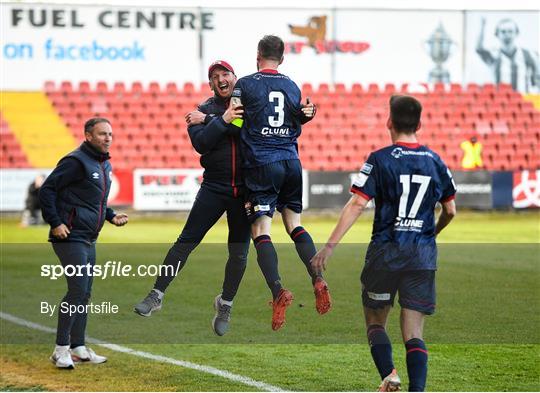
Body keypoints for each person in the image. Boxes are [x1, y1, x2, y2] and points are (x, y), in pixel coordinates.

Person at [311, 95, 457, 392]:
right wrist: (432, 233)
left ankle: (389, 374)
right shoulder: (435, 161)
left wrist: (329, 246)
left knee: (375, 323)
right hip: (421, 255)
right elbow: (451, 210)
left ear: (389, 121)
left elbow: (356, 204)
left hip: (385, 254)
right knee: (414, 332)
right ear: (420, 123)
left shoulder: (380, 159)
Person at [134, 60, 250, 336]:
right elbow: (201, 143)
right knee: (185, 242)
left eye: (225, 74)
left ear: (235, 77)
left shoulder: (246, 105)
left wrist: (214, 121)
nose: (221, 79)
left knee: (239, 254)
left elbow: (243, 129)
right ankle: (156, 295)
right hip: (214, 187)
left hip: (245, 191)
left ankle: (226, 304)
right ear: (210, 84)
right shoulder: (200, 110)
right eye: (215, 76)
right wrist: (219, 119)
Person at [233, 35, 331, 331]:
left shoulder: (245, 84)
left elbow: (235, 118)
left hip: (263, 163)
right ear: (282, 58)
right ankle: (317, 279)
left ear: (258, 54)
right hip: (292, 161)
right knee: (295, 225)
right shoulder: (292, 85)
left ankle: (278, 291)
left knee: (261, 229)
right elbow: (295, 120)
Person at [39, 117, 129, 369]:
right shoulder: (75, 161)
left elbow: (93, 201)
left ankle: (78, 347)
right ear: (88, 135)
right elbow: (47, 190)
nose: (108, 138)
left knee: (84, 293)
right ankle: (60, 350)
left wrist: (111, 215)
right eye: (102, 134)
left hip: (89, 238)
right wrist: (55, 222)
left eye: (110, 133)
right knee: (77, 291)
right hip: (70, 237)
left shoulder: (103, 164)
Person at [476, 17, 539, 93]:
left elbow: (537, 77)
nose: (507, 35)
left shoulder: (529, 55)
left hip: (523, 100)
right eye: (503, 32)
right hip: (501, 101)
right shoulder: (493, 54)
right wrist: (482, 26)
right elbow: (479, 49)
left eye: (510, 31)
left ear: (516, 33)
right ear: (497, 34)